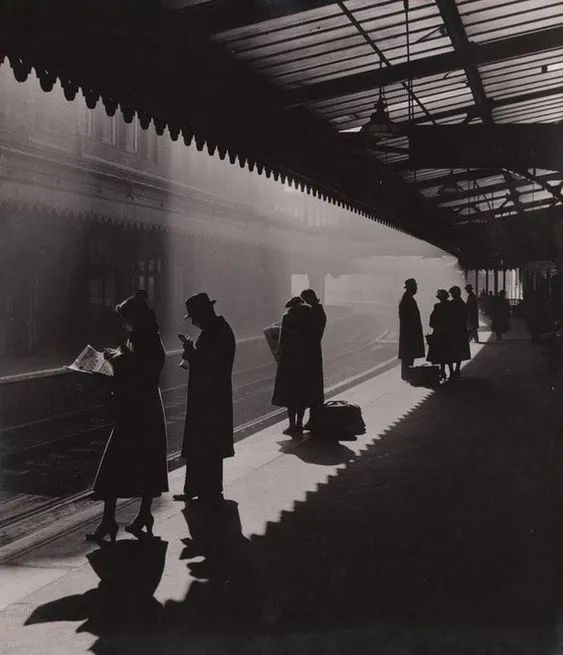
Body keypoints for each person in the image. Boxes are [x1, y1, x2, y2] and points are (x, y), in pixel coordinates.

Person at [87, 290, 168, 544]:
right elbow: (131, 360)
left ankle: (123, 518)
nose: (123, 324)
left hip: (139, 410)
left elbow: (140, 371)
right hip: (140, 409)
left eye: (125, 319)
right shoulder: (140, 338)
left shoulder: (147, 342)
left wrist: (117, 362)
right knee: (137, 462)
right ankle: (131, 516)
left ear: (136, 318)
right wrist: (117, 356)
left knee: (119, 464)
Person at [177, 293, 235, 503]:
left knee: (205, 443)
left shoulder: (217, 332)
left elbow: (210, 362)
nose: (192, 321)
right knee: (203, 443)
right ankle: (195, 488)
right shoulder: (217, 330)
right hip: (208, 396)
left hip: (210, 398)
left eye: (193, 316)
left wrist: (190, 351)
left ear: (202, 314)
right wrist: (192, 350)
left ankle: (206, 488)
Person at [272, 296, 318, 436]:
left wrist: (280, 354)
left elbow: (282, 341)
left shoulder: (288, 317)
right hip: (305, 361)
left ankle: (292, 425)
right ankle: (299, 423)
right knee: (302, 394)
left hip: (290, 361)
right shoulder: (310, 317)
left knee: (290, 394)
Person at [300, 288, 326, 426]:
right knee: (312, 387)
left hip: (311, 354)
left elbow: (311, 333)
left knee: (312, 387)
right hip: (313, 353)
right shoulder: (317, 312)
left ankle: (314, 418)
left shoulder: (315, 313)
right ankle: (313, 418)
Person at [398, 278, 425, 381]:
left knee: (408, 355)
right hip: (409, 333)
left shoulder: (407, 299)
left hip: (408, 333)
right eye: (415, 287)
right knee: (408, 355)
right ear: (410, 288)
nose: (416, 289)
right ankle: (406, 375)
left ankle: (406, 375)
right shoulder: (408, 300)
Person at [426, 289, 452, 380]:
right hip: (449, 333)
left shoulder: (437, 306)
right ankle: (451, 371)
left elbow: (431, 320)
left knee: (440, 354)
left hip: (439, 333)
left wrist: (437, 326)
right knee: (449, 352)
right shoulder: (451, 306)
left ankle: (442, 370)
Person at [448, 285, 471, 377]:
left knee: (449, 351)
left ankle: (451, 371)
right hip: (461, 330)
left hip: (451, 330)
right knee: (459, 351)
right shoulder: (463, 304)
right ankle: (457, 369)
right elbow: (466, 317)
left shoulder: (450, 304)